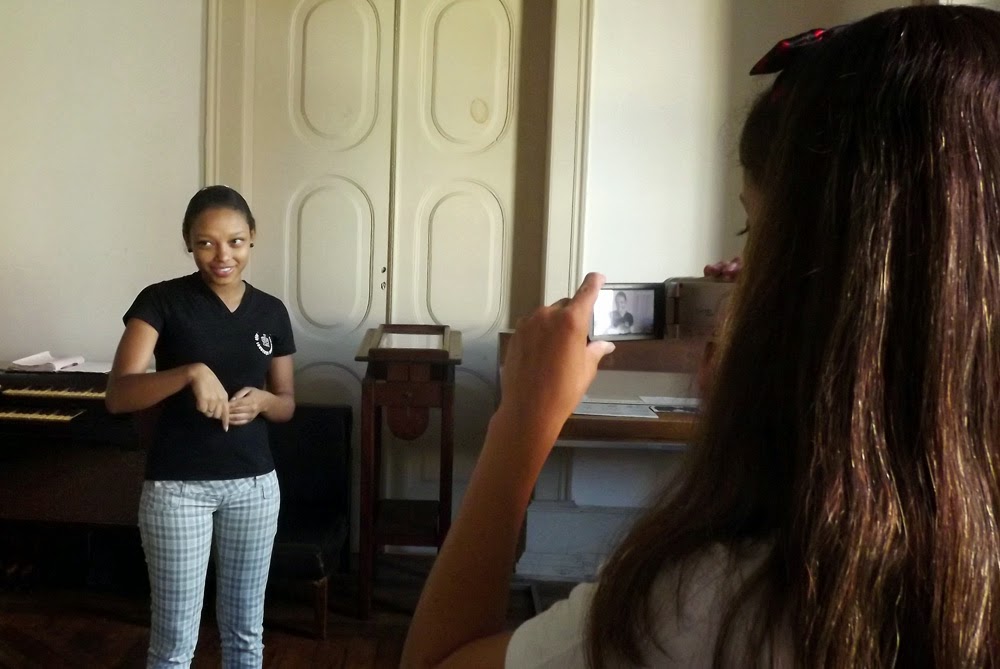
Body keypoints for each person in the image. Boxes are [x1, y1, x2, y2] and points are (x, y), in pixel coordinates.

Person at [400, 6, 1000, 668]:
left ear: (821, 286)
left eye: (756, 232)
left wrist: (521, 420)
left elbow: (437, 661)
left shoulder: (712, 604)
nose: (741, 272)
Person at [105, 185, 296, 668]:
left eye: (235, 241)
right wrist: (188, 373)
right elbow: (118, 394)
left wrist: (265, 401)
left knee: (245, 636)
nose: (222, 255)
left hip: (255, 486)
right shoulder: (161, 301)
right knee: (173, 646)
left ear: (253, 237)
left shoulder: (271, 311)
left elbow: (287, 404)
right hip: (178, 490)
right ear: (188, 242)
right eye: (206, 242)